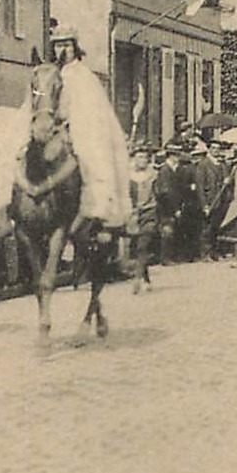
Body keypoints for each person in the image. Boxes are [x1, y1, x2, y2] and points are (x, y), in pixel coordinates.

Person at [47, 27, 132, 230]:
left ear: (75, 48)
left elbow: (92, 112)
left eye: (67, 45)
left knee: (92, 159)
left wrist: (70, 124)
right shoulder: (49, 73)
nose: (62, 50)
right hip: (51, 126)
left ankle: (97, 208)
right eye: (58, 45)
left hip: (79, 127)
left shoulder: (84, 76)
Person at [126, 141, 158, 294]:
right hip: (132, 215)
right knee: (136, 248)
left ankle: (137, 278)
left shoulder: (154, 175)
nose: (142, 160)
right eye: (139, 157)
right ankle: (146, 278)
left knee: (142, 246)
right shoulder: (128, 176)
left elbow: (159, 195)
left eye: (144, 158)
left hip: (149, 213)